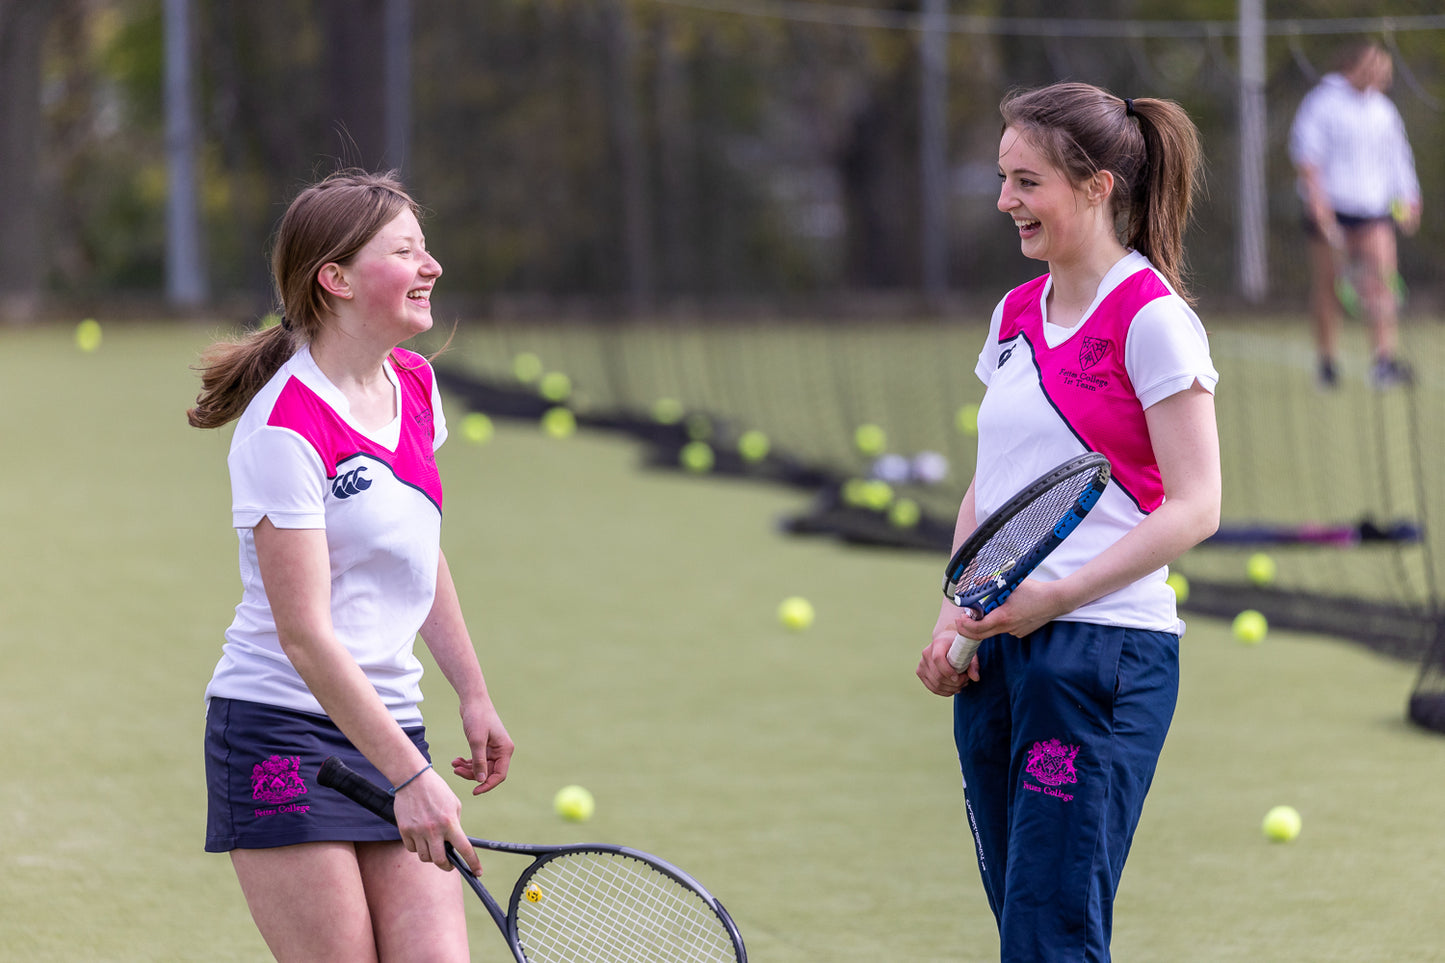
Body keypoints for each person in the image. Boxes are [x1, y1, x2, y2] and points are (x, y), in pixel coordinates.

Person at [916, 84, 1221, 962]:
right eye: (1003, 178)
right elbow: (989, 489)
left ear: (1095, 186)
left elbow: (1197, 506)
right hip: (999, 652)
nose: (1005, 199)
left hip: (1101, 654)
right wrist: (952, 615)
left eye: (1026, 180)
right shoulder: (1013, 314)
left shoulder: (1152, 319)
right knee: (1026, 924)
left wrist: (1054, 597)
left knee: (1051, 932)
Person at [188, 169, 514, 962]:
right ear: (334, 279)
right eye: (406, 250)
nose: (431, 265)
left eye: (425, 247)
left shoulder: (415, 382)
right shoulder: (283, 429)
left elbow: (414, 546)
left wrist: (471, 690)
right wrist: (409, 777)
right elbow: (304, 634)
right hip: (278, 731)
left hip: (386, 719)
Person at [1289, 39, 1421, 389]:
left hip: (1374, 212)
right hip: (1332, 213)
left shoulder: (1384, 110)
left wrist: (1409, 198)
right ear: (1356, 64)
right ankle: (1327, 364)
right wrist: (1318, 204)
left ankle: (1383, 361)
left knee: (1383, 284)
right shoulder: (1322, 103)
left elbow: (1398, 160)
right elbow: (1307, 156)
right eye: (1376, 65)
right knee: (1329, 288)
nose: (1383, 73)